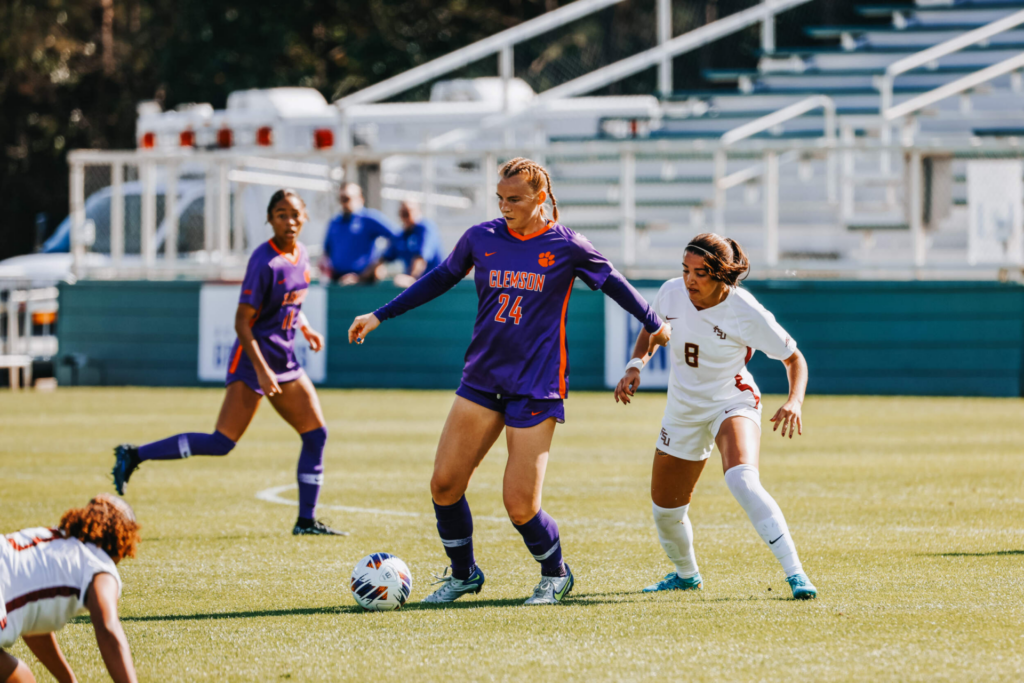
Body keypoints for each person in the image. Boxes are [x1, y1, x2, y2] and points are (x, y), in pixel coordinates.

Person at [348, 157, 671, 605]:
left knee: (520, 504)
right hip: (482, 377)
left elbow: (613, 281)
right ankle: (464, 575)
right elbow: (441, 278)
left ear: (541, 197)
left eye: (515, 199)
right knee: (444, 485)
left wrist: (653, 322)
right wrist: (380, 314)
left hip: (537, 384)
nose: (505, 206)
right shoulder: (481, 237)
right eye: (500, 198)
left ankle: (555, 575)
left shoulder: (567, 245)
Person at [112, 189, 343, 536]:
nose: (290, 221)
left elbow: (289, 304)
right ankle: (134, 455)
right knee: (222, 443)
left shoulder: (302, 255)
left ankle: (306, 522)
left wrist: (306, 328)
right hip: (254, 362)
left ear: (305, 217)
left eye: (295, 214)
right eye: (281, 214)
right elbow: (241, 322)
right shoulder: (263, 262)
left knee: (316, 434)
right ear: (269, 218)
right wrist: (263, 372)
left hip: (285, 360)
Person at [613, 233, 816, 599]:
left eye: (701, 272)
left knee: (742, 479)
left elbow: (794, 358)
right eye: (686, 269)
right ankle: (686, 575)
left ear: (722, 274)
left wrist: (794, 402)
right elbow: (652, 331)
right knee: (665, 512)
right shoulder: (671, 292)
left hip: (731, 401)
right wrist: (634, 365)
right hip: (682, 410)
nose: (690, 280)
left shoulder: (746, 311)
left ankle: (796, 574)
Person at [1, 494, 140, 683]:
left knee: (20, 677)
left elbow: (34, 624)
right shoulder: (100, 565)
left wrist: (68, 680)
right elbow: (108, 629)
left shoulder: (55, 538)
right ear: (123, 540)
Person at [320, 183, 398, 285]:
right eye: (341, 199)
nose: (344, 203)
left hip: (364, 282)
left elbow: (397, 237)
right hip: (338, 280)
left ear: (360, 198)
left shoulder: (369, 218)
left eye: (347, 198)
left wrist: (379, 263)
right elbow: (327, 251)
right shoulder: (335, 222)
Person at [384, 201, 443, 288]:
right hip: (417, 287)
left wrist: (411, 278)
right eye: (402, 213)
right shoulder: (401, 235)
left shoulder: (425, 228)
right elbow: (384, 259)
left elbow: (421, 259)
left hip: (436, 284)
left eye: (408, 212)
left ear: (418, 211)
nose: (405, 217)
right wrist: (362, 277)